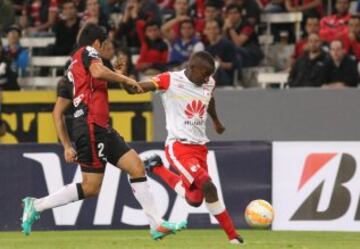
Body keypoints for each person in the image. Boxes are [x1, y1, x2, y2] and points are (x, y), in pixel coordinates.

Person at [21, 23, 187, 239]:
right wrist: (126, 78)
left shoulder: (72, 70)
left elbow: (57, 112)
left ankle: (156, 224)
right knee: (91, 187)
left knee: (136, 166)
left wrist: (67, 145)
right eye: (105, 44)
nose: (103, 49)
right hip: (90, 126)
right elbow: (98, 70)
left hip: (100, 128)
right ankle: (37, 205)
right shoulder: (88, 51)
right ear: (97, 43)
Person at [125, 51, 244, 244]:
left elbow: (209, 100)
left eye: (210, 74)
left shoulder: (208, 82)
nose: (207, 78)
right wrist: (123, 79)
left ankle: (157, 168)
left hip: (200, 148)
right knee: (208, 185)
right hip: (179, 146)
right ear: (191, 68)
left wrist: (216, 121)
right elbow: (136, 89)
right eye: (204, 73)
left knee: (195, 200)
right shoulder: (169, 80)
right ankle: (233, 236)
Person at [204, 20, 238, 86]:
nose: (212, 31)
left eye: (214, 28)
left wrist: (220, 64)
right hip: (210, 77)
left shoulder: (227, 45)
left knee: (216, 68)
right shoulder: (207, 49)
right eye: (209, 29)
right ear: (205, 31)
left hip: (226, 78)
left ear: (219, 30)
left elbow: (234, 65)